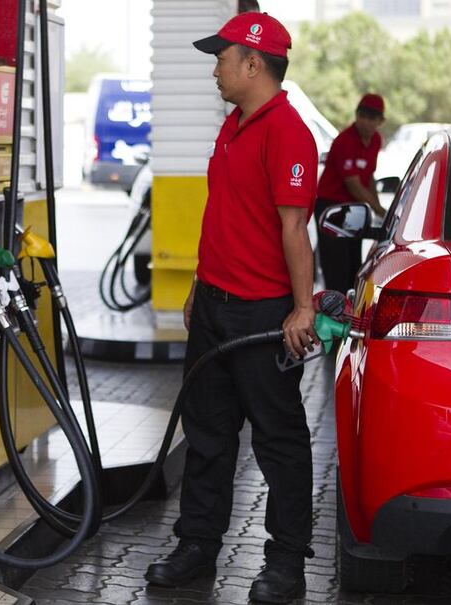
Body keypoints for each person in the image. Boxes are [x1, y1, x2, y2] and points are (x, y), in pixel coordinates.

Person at [144, 11, 319, 605]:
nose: (215, 69)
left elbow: (295, 228)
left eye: (222, 58)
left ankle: (287, 561)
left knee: (279, 441)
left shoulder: (287, 132)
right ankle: (197, 546)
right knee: (208, 434)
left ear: (253, 62)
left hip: (261, 317)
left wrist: (301, 310)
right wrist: (200, 282)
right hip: (215, 307)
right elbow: (226, 214)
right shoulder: (233, 126)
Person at [315, 94, 387, 294]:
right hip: (332, 209)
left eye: (371, 118)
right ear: (356, 115)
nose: (365, 122)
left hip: (354, 209)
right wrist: (381, 210)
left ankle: (350, 315)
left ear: (380, 121)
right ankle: (332, 313)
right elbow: (354, 185)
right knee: (336, 269)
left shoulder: (375, 140)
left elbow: (369, 176)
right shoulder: (344, 141)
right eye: (362, 116)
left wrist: (378, 208)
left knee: (354, 268)